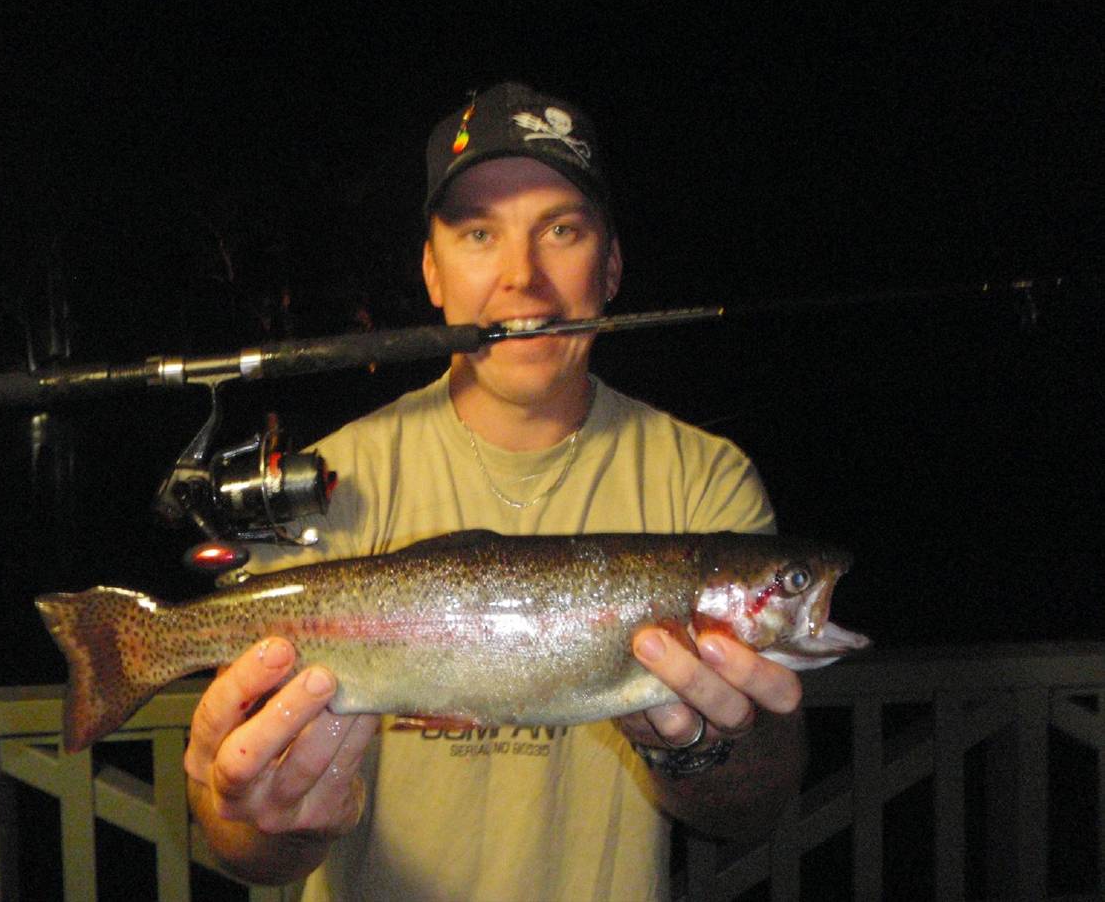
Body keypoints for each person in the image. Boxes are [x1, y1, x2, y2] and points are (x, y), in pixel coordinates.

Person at [184, 82, 805, 901]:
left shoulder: (702, 481)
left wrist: (705, 750)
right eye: (479, 233)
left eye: (561, 229)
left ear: (610, 265)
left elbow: (754, 805)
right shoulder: (321, 484)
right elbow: (243, 849)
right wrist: (247, 813)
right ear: (431, 271)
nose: (523, 278)